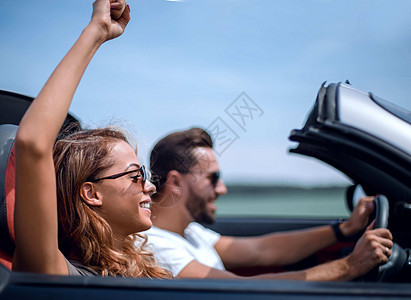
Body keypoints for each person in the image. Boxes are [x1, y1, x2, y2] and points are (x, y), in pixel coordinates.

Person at [13, 0, 169, 278]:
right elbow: (33, 143)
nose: (151, 187)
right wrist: (97, 31)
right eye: (135, 175)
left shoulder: (142, 267)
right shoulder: (60, 275)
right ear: (91, 193)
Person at [145, 127, 393, 280]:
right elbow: (237, 290)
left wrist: (343, 230)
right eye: (213, 178)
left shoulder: (189, 233)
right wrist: (351, 265)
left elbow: (263, 249)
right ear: (176, 182)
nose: (222, 188)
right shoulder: (154, 246)